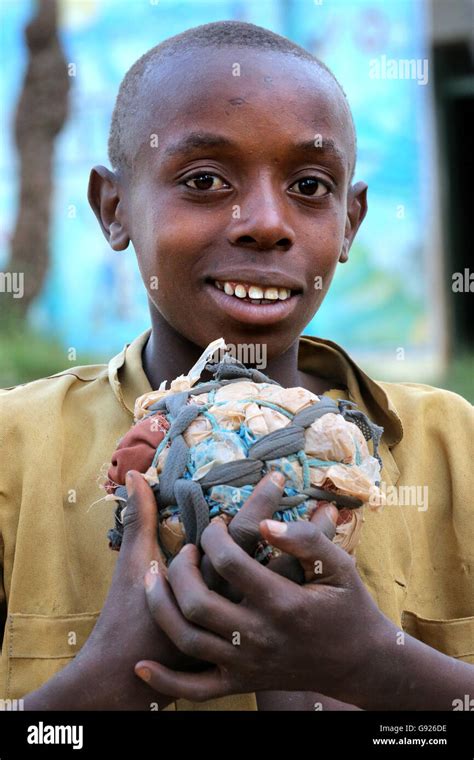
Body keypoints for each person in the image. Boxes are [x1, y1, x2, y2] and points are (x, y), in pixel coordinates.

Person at [0, 21, 472, 712]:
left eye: (310, 186)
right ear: (115, 207)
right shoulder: (14, 454)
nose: (265, 222)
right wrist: (98, 686)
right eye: (203, 180)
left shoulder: (454, 448)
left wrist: (378, 667)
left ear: (349, 220)